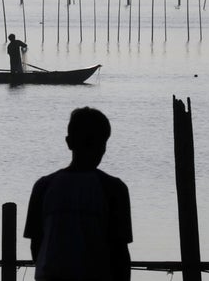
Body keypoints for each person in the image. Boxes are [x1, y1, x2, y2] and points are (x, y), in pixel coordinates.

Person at [24, 107, 132, 281]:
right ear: (103, 145)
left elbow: (36, 245)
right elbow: (120, 253)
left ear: (69, 142)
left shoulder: (44, 186)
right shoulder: (114, 189)